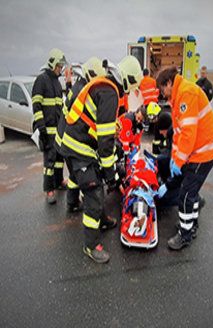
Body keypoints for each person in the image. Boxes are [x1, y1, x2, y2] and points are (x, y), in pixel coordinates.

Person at [59, 55, 143, 263]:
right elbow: (105, 144)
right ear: (127, 79)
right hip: (79, 149)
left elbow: (103, 131)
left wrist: (109, 171)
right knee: (94, 194)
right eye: (131, 87)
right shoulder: (110, 93)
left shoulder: (105, 86)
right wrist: (112, 175)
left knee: (96, 185)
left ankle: (102, 220)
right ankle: (90, 246)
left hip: (77, 145)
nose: (129, 92)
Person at [155, 66, 213, 250]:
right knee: (190, 191)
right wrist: (175, 157)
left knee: (185, 194)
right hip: (197, 151)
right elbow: (178, 133)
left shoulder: (186, 94)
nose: (162, 93)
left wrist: (178, 161)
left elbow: (188, 133)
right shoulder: (178, 96)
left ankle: (184, 235)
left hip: (204, 152)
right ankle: (191, 226)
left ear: (169, 83)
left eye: (162, 89)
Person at [55, 56, 107, 212]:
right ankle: (77, 203)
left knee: (73, 173)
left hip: (63, 136)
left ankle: (72, 203)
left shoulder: (79, 85)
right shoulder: (83, 90)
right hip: (68, 139)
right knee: (77, 173)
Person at [32, 48, 67, 204]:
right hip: (47, 130)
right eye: (59, 66)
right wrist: (41, 128)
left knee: (59, 159)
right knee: (49, 162)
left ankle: (59, 182)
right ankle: (49, 190)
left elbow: (60, 108)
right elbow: (36, 106)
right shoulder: (41, 80)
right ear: (53, 64)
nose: (61, 69)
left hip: (58, 131)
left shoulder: (57, 83)